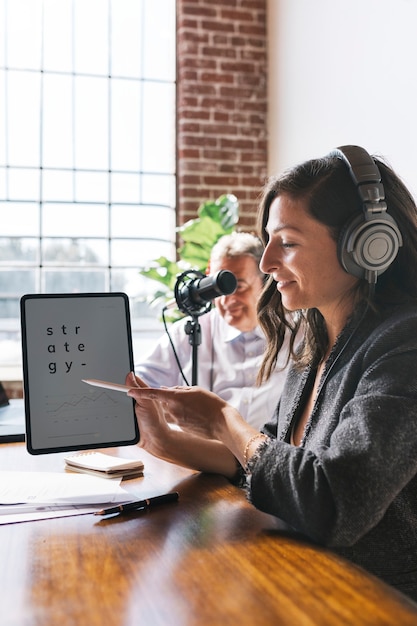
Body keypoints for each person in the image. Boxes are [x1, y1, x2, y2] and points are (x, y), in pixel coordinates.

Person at [126, 145, 417, 602]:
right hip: (307, 578)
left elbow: (335, 503)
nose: (266, 264)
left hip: (377, 600)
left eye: (289, 242)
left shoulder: (405, 344)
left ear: (367, 244)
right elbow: (269, 462)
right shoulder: (317, 342)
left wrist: (224, 420)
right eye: (269, 240)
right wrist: (161, 439)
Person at [136, 231, 292, 429]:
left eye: (239, 286)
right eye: (218, 289)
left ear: (264, 284)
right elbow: (138, 384)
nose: (227, 299)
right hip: (197, 456)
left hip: (270, 455)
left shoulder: (296, 335)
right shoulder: (187, 333)